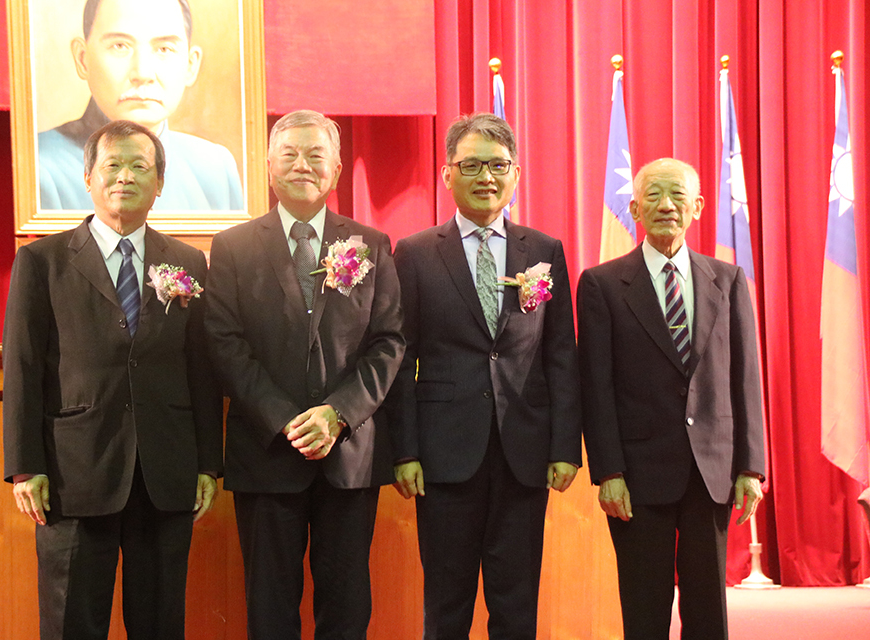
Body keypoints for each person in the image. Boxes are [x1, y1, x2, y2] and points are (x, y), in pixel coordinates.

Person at [3, 119, 223, 640]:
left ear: (159, 183)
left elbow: (202, 369)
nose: (125, 176)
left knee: (160, 622)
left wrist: (207, 463)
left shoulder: (187, 262)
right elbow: (23, 367)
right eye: (113, 165)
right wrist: (24, 465)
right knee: (72, 623)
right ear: (88, 177)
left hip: (164, 472)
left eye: (139, 166)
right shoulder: (41, 261)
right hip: (73, 473)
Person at [204, 109, 405, 639]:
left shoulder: (370, 244)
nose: (302, 165)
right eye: (289, 155)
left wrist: (337, 415)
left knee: (347, 608)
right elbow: (225, 344)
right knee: (269, 609)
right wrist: (287, 420)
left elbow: (388, 342)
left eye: (316, 155)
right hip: (267, 451)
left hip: (349, 455)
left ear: (336, 169)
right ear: (268, 167)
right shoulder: (232, 248)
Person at [388, 112, 582, 638]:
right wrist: (404, 451)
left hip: (523, 452)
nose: (486, 177)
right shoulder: (415, 253)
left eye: (498, 165)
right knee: (446, 606)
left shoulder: (543, 251)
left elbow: (561, 355)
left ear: (516, 173)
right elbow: (400, 358)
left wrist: (565, 447)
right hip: (443, 455)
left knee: (516, 606)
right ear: (447, 174)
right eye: (471, 165)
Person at [578, 158, 766, 639]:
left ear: (697, 206)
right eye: (654, 195)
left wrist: (751, 467)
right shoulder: (602, 284)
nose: (666, 205)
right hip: (637, 476)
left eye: (678, 195)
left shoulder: (728, 279)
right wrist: (608, 472)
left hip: (712, 470)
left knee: (708, 610)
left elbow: (745, 377)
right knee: (644, 608)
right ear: (635, 208)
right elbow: (595, 388)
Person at [37, 0, 244, 211]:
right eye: (120, 46)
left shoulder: (215, 169)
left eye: (164, 49)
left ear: (191, 65)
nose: (143, 73)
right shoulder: (40, 167)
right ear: (83, 59)